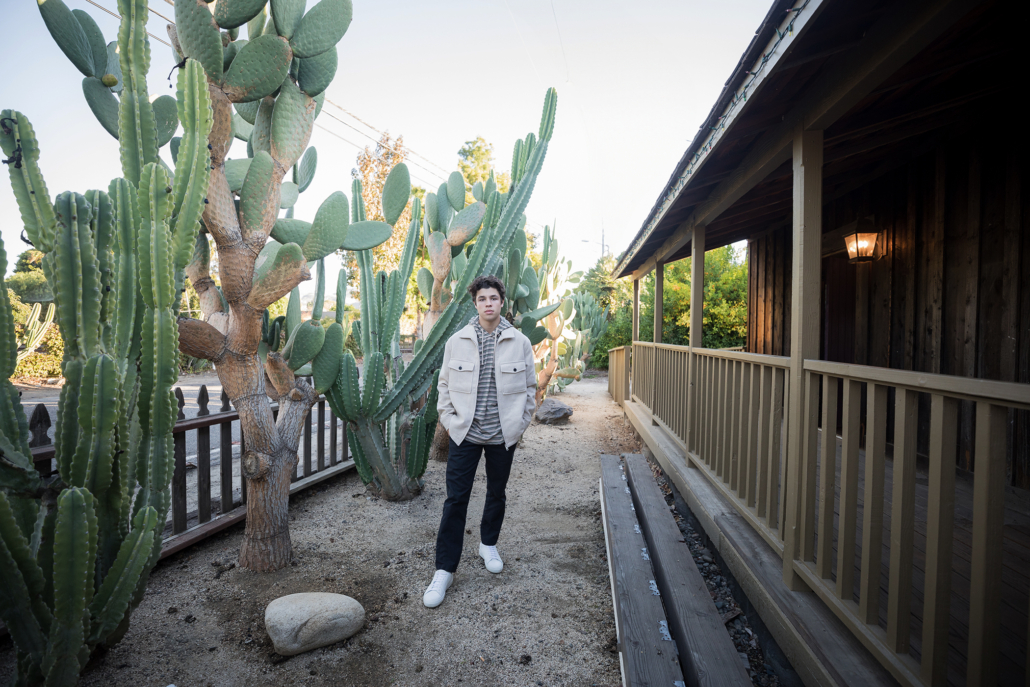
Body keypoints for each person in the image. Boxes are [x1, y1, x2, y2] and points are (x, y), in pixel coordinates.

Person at [422, 275, 537, 608]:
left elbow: (530, 388)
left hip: (503, 435)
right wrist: (452, 421)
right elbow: (443, 387)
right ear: (476, 304)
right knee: (455, 500)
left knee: (496, 493)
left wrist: (520, 423)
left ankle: (488, 544)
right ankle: (444, 569)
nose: (489, 303)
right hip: (466, 434)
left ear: (502, 302)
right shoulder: (458, 340)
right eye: (483, 299)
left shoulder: (520, 342)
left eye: (494, 298)